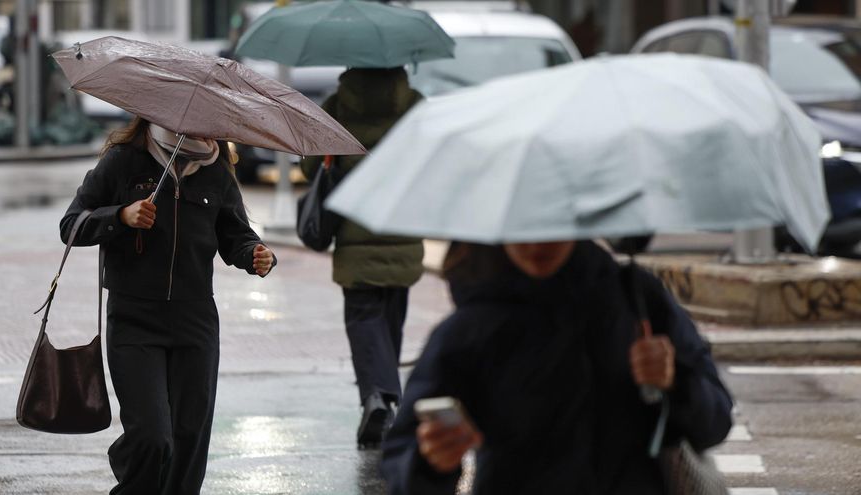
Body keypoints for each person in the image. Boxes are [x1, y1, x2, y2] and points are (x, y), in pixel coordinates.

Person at [381, 241, 734, 494]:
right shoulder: (469, 331)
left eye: (549, 221)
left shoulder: (635, 299)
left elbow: (715, 422)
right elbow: (402, 463)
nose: (538, 243)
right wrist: (431, 460)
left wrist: (677, 382)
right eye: (523, 225)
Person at [60, 117, 276, 494]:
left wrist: (255, 254)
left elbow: (235, 235)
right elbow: (71, 225)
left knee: (190, 437)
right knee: (151, 436)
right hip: (134, 319)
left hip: (195, 320)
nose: (211, 130)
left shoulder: (216, 171)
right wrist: (121, 216)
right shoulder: (124, 161)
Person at [299, 67, 425, 448]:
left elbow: (310, 167)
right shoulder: (415, 105)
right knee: (390, 322)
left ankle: (378, 397)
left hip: (355, 235)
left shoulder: (338, 106)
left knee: (362, 318)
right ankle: (386, 397)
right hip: (403, 231)